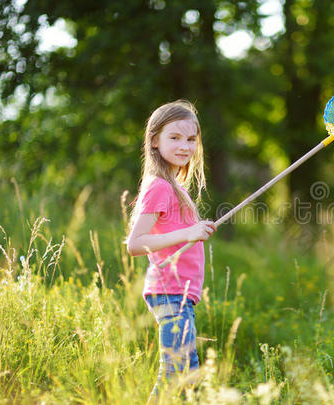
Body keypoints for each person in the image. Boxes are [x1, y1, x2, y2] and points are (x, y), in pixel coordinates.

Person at [126, 100, 216, 402]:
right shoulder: (160, 187)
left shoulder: (174, 186)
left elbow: (172, 234)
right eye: (174, 138)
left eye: (191, 139)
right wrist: (189, 232)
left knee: (187, 376)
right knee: (174, 375)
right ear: (154, 140)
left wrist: (196, 229)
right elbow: (135, 244)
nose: (185, 146)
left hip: (179, 293)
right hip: (170, 291)